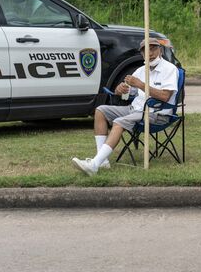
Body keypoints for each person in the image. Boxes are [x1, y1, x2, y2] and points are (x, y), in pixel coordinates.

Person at [71, 38, 179, 176]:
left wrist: (140, 84)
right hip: (135, 109)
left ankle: (94, 164)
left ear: (161, 50)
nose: (150, 53)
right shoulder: (140, 71)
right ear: (141, 54)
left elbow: (165, 97)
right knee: (100, 111)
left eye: (153, 49)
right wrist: (120, 89)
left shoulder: (170, 69)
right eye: (146, 50)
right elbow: (127, 93)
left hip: (157, 113)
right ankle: (103, 160)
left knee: (119, 121)